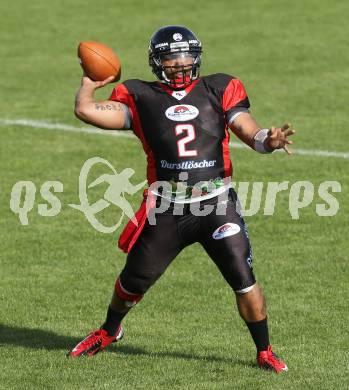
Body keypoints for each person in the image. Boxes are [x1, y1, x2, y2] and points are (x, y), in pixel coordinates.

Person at [68, 25, 294, 373]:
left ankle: (264, 350)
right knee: (134, 280)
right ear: (158, 62)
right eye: (171, 58)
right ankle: (110, 330)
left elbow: (250, 131)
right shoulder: (139, 96)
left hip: (216, 203)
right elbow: (87, 111)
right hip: (167, 207)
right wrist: (89, 82)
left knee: (243, 277)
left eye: (185, 55)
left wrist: (270, 139)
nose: (179, 63)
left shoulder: (219, 88)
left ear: (197, 57)